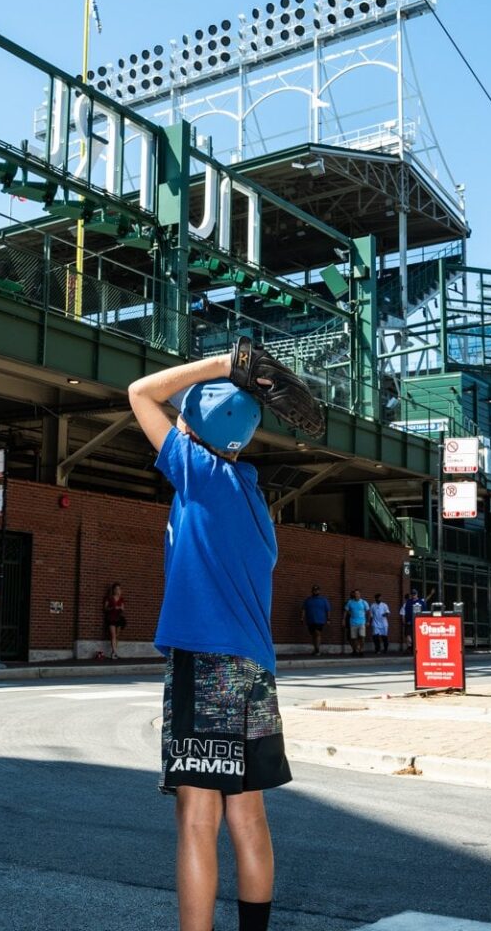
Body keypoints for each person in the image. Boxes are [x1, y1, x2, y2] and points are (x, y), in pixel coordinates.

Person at [128, 358, 288, 931]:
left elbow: (142, 393)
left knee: (197, 816)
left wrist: (226, 363)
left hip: (206, 663)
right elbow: (185, 416)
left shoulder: (199, 474)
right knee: (247, 813)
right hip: (254, 669)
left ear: (193, 434)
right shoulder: (248, 494)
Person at [102, 581, 128, 659]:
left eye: (119, 589)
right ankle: (114, 653)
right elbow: (105, 608)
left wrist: (120, 608)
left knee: (116, 636)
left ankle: (114, 652)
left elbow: (123, 609)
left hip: (118, 618)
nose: (118, 590)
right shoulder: (109, 598)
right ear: (113, 590)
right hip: (111, 618)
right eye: (116, 589)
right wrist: (112, 608)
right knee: (113, 635)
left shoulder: (121, 598)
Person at [302, 586, 329, 656]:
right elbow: (304, 609)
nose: (315, 592)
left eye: (317, 590)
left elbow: (328, 610)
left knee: (317, 633)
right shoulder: (308, 600)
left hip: (320, 620)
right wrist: (302, 618)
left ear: (319, 591)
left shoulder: (323, 600)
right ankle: (315, 648)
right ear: (312, 591)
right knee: (313, 635)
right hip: (310, 620)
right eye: (314, 590)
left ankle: (317, 649)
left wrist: (328, 619)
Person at [344, 589, 369, 658]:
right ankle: (356, 650)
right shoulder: (350, 602)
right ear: (354, 595)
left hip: (362, 622)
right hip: (353, 622)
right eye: (355, 594)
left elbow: (368, 612)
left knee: (362, 636)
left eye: (358, 593)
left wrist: (368, 621)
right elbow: (346, 611)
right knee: (354, 638)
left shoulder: (364, 602)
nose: (356, 595)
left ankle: (361, 650)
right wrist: (343, 620)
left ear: (360, 594)